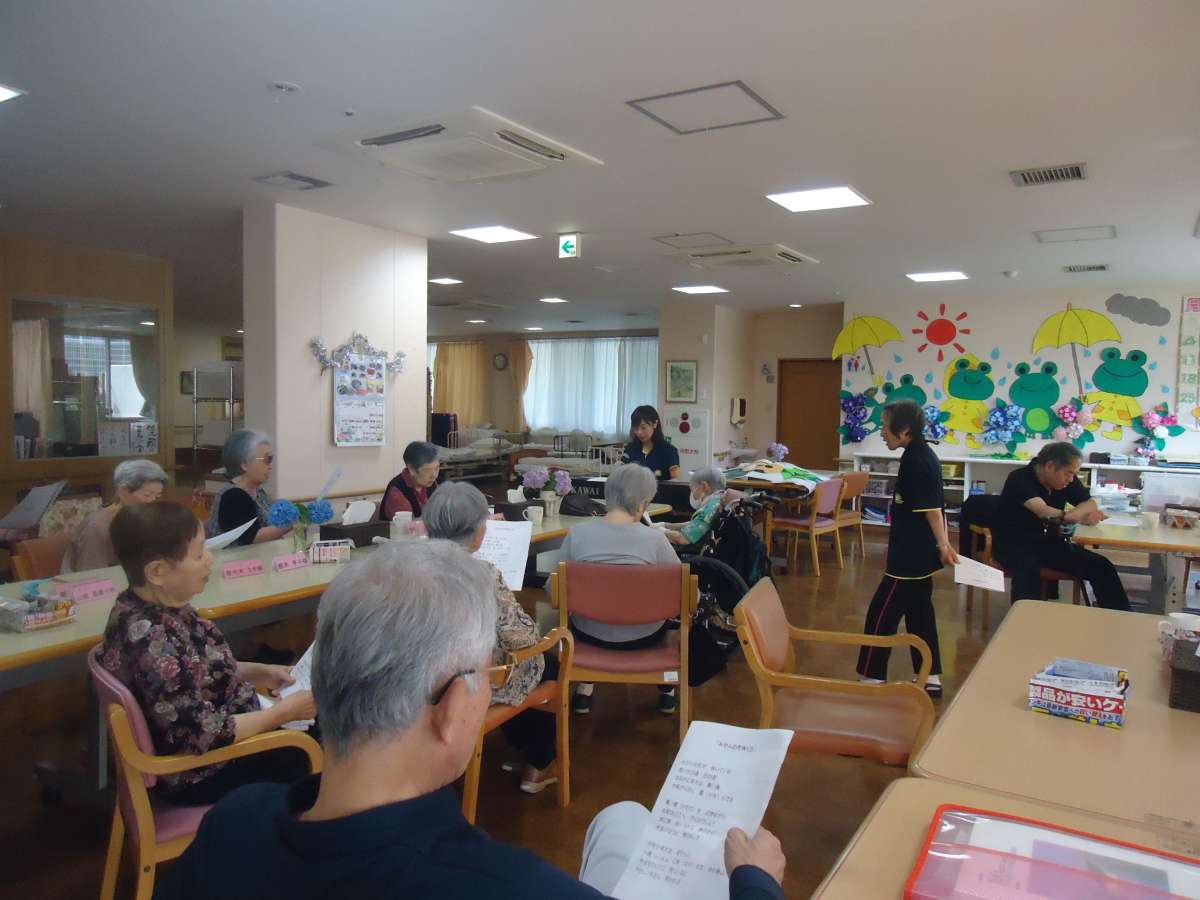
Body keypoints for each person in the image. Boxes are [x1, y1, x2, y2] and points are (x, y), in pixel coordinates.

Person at [156, 539, 786, 900]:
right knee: (622, 820)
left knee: (620, 821)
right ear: (455, 708)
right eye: (487, 674)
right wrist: (756, 883)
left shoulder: (231, 827)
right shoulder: (509, 886)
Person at [99, 501, 317, 806]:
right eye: (200, 553)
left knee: (320, 720)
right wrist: (282, 714)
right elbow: (204, 733)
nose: (210, 558)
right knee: (316, 744)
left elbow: (194, 666)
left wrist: (261, 671)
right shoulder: (152, 639)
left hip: (219, 730)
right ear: (158, 571)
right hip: (200, 771)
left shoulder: (151, 606)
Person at [422, 481, 558, 795]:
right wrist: (537, 630)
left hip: (422, 683)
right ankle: (538, 763)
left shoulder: (410, 569)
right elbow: (520, 638)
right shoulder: (481, 574)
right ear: (479, 532)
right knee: (545, 662)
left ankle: (518, 744)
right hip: (465, 684)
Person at [856, 400, 957, 697]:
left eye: (885, 427)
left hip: (910, 557)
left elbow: (933, 511)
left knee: (881, 613)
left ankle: (872, 677)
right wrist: (941, 544)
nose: (882, 433)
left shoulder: (918, 460)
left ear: (904, 430)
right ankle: (930, 677)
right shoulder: (916, 454)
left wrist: (944, 544)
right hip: (916, 553)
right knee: (920, 614)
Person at [562, 464, 681, 715]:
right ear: (642, 504)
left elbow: (555, 592)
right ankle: (666, 690)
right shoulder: (656, 540)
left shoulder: (577, 534)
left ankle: (584, 686)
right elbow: (684, 594)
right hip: (645, 636)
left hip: (590, 634)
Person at [992, 441, 1130, 610]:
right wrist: (1074, 516)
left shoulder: (1065, 480)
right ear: (1050, 466)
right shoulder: (1020, 478)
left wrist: (1078, 514)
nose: (1071, 479)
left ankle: (1120, 616)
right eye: (1068, 473)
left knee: (1102, 566)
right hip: (1012, 544)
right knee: (1029, 571)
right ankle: (1025, 620)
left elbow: (1091, 503)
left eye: (1074, 474)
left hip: (1046, 543)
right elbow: (1043, 511)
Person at [61, 459, 167, 573]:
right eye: (147, 495)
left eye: (157, 496)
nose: (152, 502)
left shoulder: (144, 519)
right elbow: (92, 575)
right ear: (123, 491)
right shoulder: (97, 526)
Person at [206, 429, 289, 546]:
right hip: (236, 558)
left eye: (271, 459)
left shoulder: (259, 492)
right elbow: (251, 538)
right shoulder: (233, 496)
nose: (270, 466)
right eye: (267, 460)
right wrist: (291, 523)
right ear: (245, 464)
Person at [663, 466, 726, 548]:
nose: (692, 494)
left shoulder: (710, 508)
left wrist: (660, 531)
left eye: (692, 489)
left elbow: (683, 539)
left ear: (704, 486)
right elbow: (695, 524)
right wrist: (666, 525)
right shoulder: (720, 500)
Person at [381, 440, 441, 520]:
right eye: (427, 470)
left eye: (437, 468)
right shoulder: (397, 492)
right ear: (412, 469)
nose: (434, 475)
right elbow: (409, 526)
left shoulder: (431, 483)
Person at [621, 405, 682, 480]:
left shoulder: (669, 450)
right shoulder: (630, 448)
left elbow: (675, 480)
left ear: (655, 424)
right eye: (636, 428)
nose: (639, 432)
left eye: (643, 428)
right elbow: (622, 475)